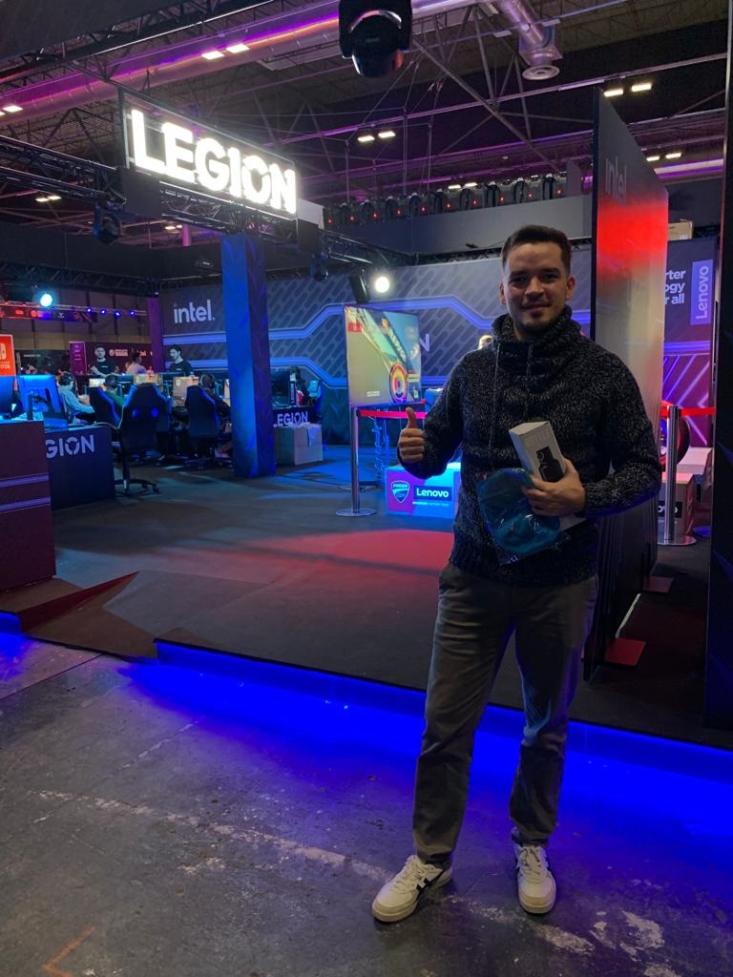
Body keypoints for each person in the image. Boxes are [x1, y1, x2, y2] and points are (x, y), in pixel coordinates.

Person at [372, 225, 661, 923]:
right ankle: (430, 854)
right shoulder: (475, 372)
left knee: (545, 726)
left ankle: (531, 842)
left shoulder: (603, 374)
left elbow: (644, 471)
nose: (533, 289)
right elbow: (433, 449)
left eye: (546, 276)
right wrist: (414, 451)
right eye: (520, 278)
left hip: (559, 581)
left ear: (568, 285)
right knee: (444, 725)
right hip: (471, 576)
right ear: (502, 288)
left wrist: (585, 496)